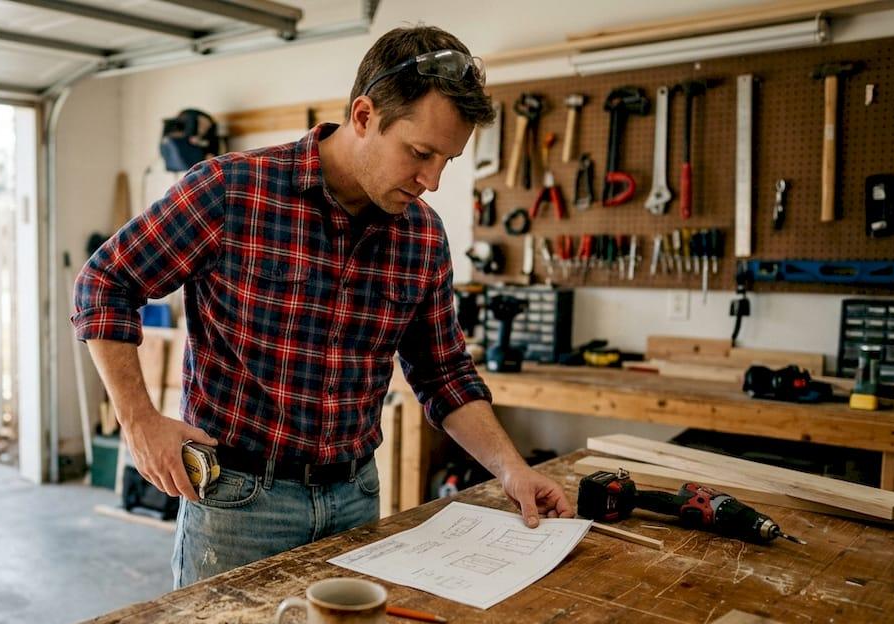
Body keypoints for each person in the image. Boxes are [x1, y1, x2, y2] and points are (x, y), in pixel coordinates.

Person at [73, 25, 574, 588]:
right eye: (420, 153)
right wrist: (138, 423)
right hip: (239, 504)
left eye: (447, 161)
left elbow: (443, 374)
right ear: (364, 116)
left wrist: (512, 470)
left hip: (355, 498)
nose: (431, 180)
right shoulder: (232, 191)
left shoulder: (422, 237)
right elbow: (105, 282)